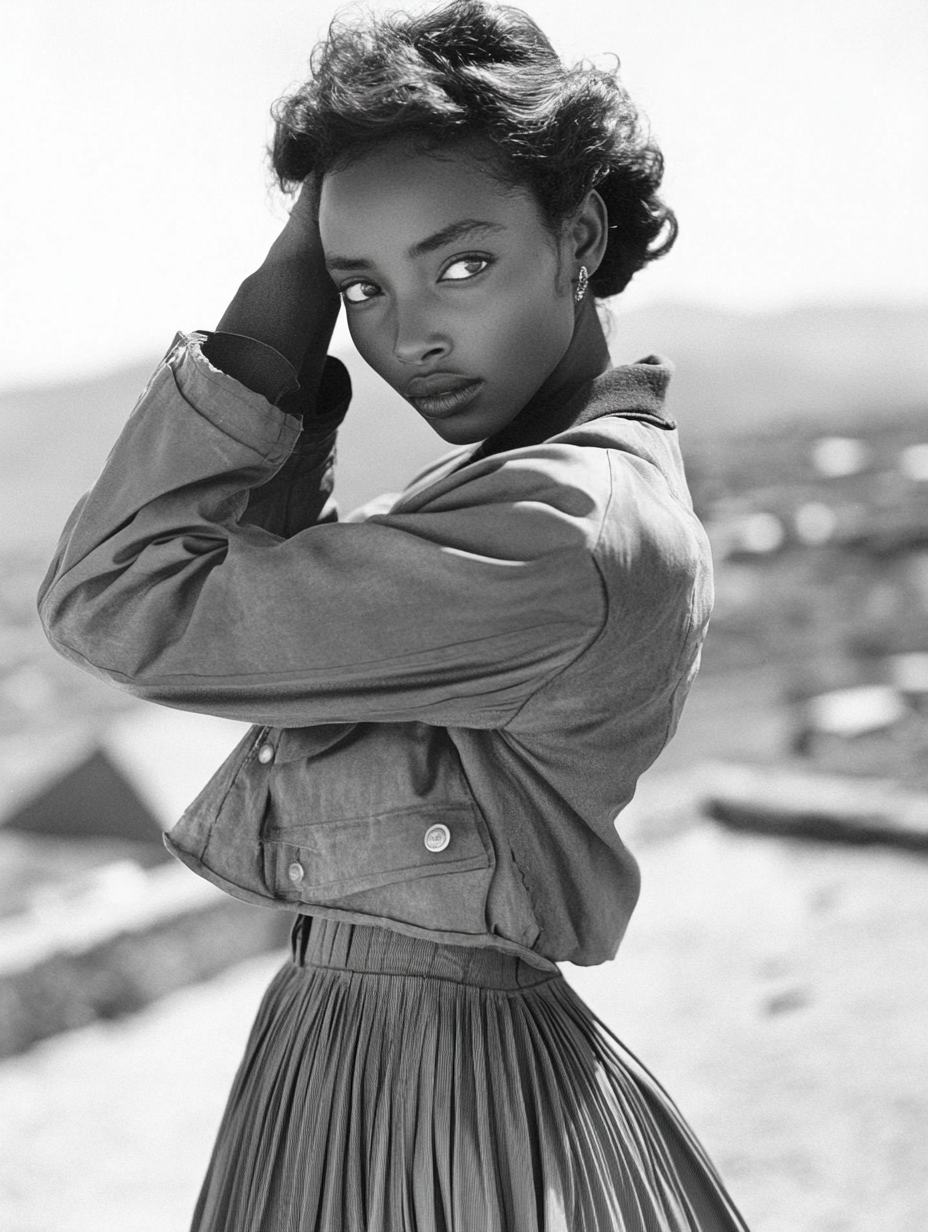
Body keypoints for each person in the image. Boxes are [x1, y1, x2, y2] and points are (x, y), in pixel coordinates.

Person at [38, 2, 751, 1228]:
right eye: (358, 284)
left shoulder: (556, 530)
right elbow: (252, 576)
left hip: (440, 1092)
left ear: (577, 238)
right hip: (350, 1055)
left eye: (461, 264)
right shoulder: (507, 489)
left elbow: (118, 596)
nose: (404, 335)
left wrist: (284, 283)